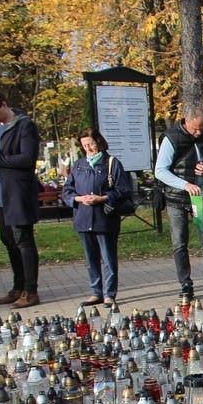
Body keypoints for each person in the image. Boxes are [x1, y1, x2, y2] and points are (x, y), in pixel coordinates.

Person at [0, 89, 42, 308]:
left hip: (17, 194)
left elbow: (27, 158)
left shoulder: (25, 126)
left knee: (23, 241)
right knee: (9, 242)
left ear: (5, 104)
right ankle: (18, 287)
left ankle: (31, 291)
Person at [154, 106, 203, 302]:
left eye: (202, 128)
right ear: (186, 120)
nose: (199, 133)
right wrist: (185, 185)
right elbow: (160, 170)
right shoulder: (171, 137)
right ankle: (186, 285)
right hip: (177, 198)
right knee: (179, 242)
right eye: (195, 128)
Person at [62, 127, 132, 306]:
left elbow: (123, 189)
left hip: (105, 218)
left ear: (99, 142)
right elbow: (67, 191)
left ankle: (109, 293)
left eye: (91, 144)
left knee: (108, 258)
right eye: (85, 145)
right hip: (84, 217)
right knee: (90, 259)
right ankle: (96, 291)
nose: (89, 148)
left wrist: (102, 198)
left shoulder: (112, 163)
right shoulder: (78, 165)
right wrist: (78, 198)